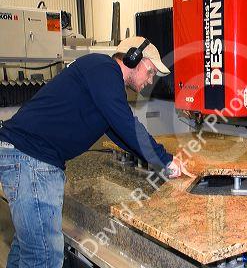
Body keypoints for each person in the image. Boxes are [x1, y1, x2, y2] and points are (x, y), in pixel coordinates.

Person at [0, 36, 188, 268]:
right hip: (33, 161)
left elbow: (120, 133)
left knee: (27, 250)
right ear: (132, 59)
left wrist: (158, 162)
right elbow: (127, 124)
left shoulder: (102, 79)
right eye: (149, 71)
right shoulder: (104, 69)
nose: (150, 81)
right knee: (44, 257)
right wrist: (166, 160)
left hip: (26, 157)